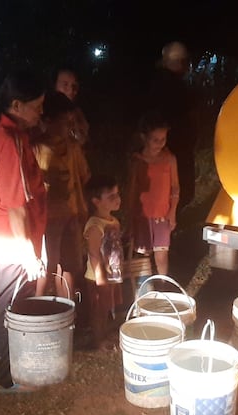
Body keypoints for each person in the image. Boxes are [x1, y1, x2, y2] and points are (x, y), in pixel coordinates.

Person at [0, 70, 48, 394]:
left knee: (7, 302)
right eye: (37, 106)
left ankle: (15, 365)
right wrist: (29, 256)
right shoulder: (8, 141)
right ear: (17, 105)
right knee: (9, 308)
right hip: (10, 240)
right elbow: (16, 206)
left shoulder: (4, 133)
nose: (41, 112)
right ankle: (8, 378)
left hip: (2, 237)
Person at [34, 91, 91, 300]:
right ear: (47, 121)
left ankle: (67, 308)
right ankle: (37, 308)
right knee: (46, 266)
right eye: (64, 123)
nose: (69, 128)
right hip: (48, 220)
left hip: (72, 215)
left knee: (70, 265)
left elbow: (83, 176)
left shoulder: (72, 147)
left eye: (70, 123)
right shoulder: (37, 149)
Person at [127, 111, 180, 284]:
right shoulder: (137, 160)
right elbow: (132, 189)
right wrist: (130, 218)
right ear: (144, 138)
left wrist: (172, 212)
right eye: (155, 140)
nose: (159, 144)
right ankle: (145, 291)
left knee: (162, 255)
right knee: (143, 255)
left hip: (162, 215)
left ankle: (164, 287)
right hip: (142, 216)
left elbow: (175, 187)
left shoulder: (169, 159)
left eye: (163, 139)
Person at [147, 41, 199, 211]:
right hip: (176, 148)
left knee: (167, 189)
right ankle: (169, 224)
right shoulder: (174, 85)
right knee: (179, 190)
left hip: (163, 145)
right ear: (177, 62)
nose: (186, 66)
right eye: (183, 62)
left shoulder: (156, 83)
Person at [83, 175, 124, 350]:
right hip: (97, 277)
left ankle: (105, 334)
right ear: (96, 201)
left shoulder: (114, 221)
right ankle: (98, 340)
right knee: (99, 309)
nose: (117, 199)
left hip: (112, 274)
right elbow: (93, 253)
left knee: (107, 306)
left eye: (117, 194)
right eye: (111, 196)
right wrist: (100, 277)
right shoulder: (94, 225)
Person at [53, 68, 90, 150]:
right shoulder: (44, 114)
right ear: (55, 85)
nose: (71, 90)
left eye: (74, 85)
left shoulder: (77, 113)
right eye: (65, 84)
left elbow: (82, 140)